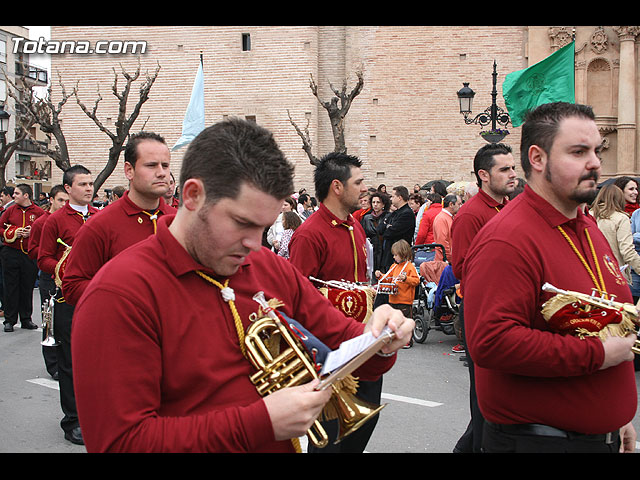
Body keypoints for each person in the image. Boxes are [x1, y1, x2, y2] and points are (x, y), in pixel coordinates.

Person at [71, 118, 413, 453]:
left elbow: (339, 338)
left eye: (263, 228)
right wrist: (259, 423)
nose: (254, 244)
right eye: (241, 223)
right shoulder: (118, 295)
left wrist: (381, 338)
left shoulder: (267, 265)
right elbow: (120, 442)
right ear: (192, 195)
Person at [463, 102, 637, 453]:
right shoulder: (507, 238)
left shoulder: (585, 225)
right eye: (578, 152)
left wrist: (614, 419)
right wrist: (597, 354)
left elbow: (596, 318)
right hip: (540, 441)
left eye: (597, 151)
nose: (595, 163)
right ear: (538, 159)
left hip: (593, 437)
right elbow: (492, 341)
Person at [289, 152, 383, 453]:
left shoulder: (354, 226)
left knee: (363, 429)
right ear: (337, 187)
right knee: (330, 443)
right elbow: (299, 298)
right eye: (359, 182)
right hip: (331, 353)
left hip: (362, 345)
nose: (365, 188)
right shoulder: (308, 234)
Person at [449, 142, 516, 453]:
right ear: (483, 175)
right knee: (485, 404)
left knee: (497, 405)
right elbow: (461, 267)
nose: (513, 174)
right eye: (505, 169)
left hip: (510, 311)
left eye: (513, 167)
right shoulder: (470, 215)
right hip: (483, 314)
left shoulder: (508, 208)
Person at [62, 132, 175, 307]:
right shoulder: (99, 226)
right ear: (129, 170)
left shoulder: (179, 222)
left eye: (165, 166)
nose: (161, 173)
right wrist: (123, 294)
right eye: (151, 165)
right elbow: (72, 286)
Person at [38, 165, 99, 446]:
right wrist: (64, 270)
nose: (89, 188)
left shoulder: (100, 217)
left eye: (91, 183)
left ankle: (97, 415)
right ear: (68, 188)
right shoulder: (56, 220)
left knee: (100, 361)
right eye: (83, 184)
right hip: (68, 299)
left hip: (100, 298)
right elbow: (44, 259)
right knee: (71, 363)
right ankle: (72, 421)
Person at [28, 184, 69, 380]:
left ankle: (67, 362)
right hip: (50, 276)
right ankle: (53, 365)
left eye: (66, 201)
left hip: (69, 279)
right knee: (50, 322)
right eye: (60, 200)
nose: (63, 204)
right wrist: (56, 256)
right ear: (51, 200)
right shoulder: (42, 223)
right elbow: (34, 251)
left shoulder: (68, 220)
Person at [0, 184, 45, 332]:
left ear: (26, 195)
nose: (14, 196)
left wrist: (32, 233)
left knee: (27, 287)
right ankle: (10, 319)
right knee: (10, 287)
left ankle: (26, 318)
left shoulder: (38, 212)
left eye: (17, 193)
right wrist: (14, 232)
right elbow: (0, 228)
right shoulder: (9, 211)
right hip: (11, 252)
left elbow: (46, 229)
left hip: (28, 254)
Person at [590, 184, 640, 288]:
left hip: (591, 272)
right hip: (614, 273)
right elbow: (627, 250)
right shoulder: (621, 218)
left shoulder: (588, 215)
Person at [375, 239, 419, 348]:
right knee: (394, 321)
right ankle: (396, 338)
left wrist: (406, 279)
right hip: (393, 299)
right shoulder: (393, 266)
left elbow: (416, 281)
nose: (394, 257)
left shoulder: (409, 267)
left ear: (403, 254)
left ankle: (408, 340)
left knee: (405, 321)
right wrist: (380, 276)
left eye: (396, 255)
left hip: (404, 300)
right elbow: (388, 279)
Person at [377, 186, 415, 273]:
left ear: (400, 198)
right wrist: (387, 226)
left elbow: (390, 232)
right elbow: (380, 229)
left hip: (399, 256)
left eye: (393, 196)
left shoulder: (407, 214)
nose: (391, 199)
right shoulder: (395, 213)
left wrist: (388, 227)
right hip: (389, 254)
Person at [362, 191, 391, 280]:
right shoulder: (367, 218)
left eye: (378, 202)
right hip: (372, 250)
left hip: (384, 250)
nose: (375, 205)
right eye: (373, 202)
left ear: (383, 204)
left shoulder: (388, 217)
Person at [432, 193, 461, 263]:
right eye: (459, 204)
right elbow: (442, 242)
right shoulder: (441, 219)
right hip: (444, 262)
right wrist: (451, 259)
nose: (460, 206)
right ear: (451, 204)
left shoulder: (448, 217)